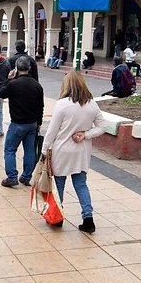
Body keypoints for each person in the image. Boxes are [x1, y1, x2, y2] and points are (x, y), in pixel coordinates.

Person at [41, 73, 106, 233]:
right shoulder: (91, 104)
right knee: (81, 185)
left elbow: (52, 131)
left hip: (61, 151)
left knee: (59, 185)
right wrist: (86, 134)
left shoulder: (62, 104)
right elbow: (103, 127)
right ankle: (88, 218)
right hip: (81, 152)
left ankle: (58, 217)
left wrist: (44, 150)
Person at [0, 57, 43, 188]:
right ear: (29, 68)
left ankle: (12, 177)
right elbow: (41, 106)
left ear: (16, 69)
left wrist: (9, 78)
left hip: (17, 123)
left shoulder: (13, 84)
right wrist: (39, 123)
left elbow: (1, 93)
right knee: (29, 150)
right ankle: (26, 176)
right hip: (32, 123)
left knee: (10, 150)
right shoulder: (37, 85)